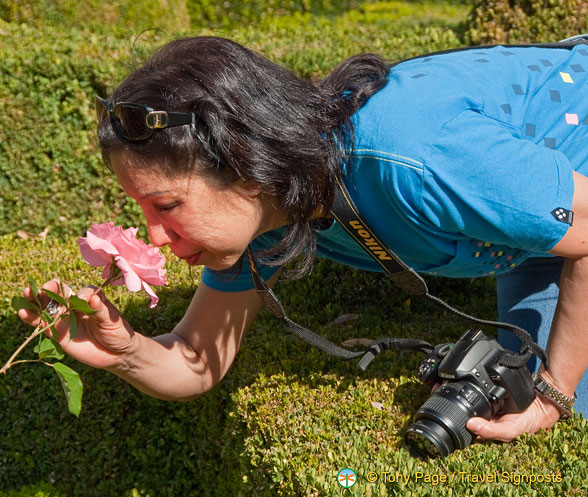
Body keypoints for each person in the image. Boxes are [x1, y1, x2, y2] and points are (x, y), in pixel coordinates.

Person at [18, 36, 588, 443]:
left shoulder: (413, 157)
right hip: (542, 241)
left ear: (245, 164)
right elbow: (196, 360)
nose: (155, 236)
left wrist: (556, 392)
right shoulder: (270, 214)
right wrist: (127, 351)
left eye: (166, 205)